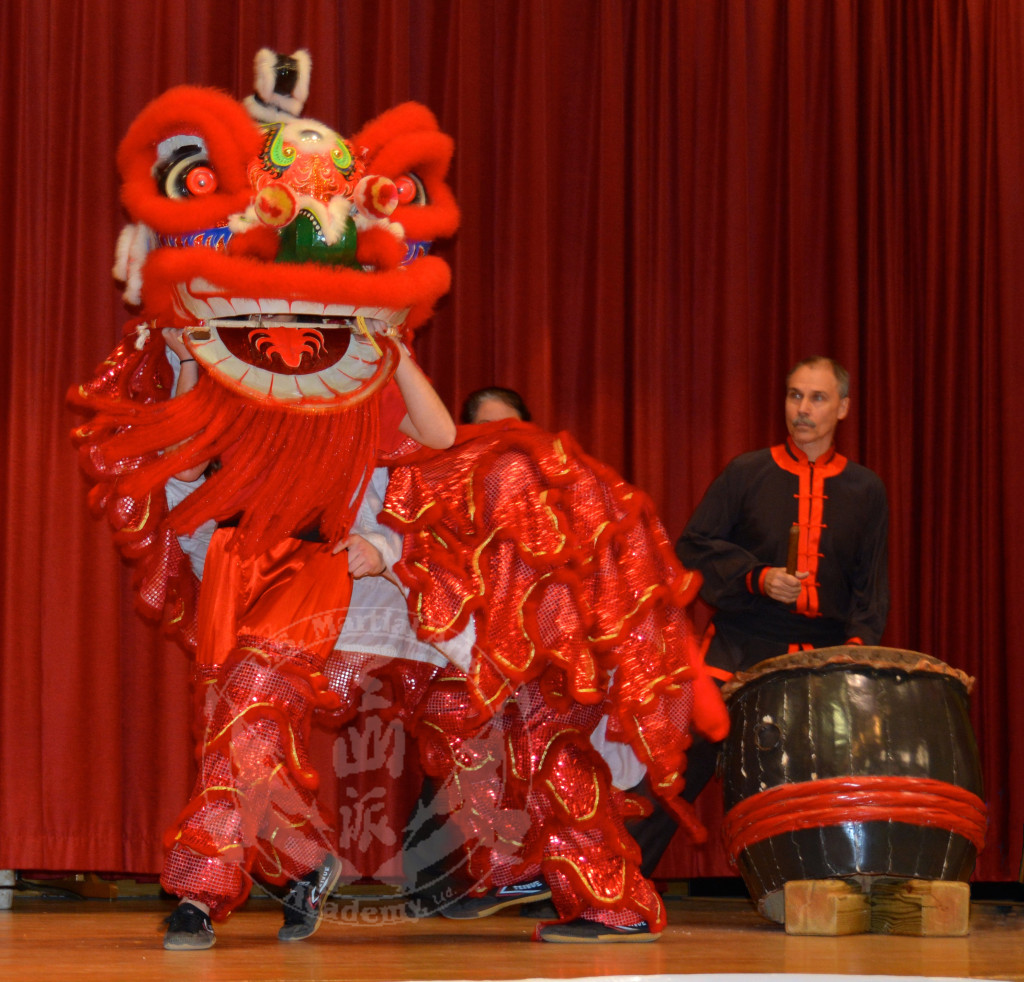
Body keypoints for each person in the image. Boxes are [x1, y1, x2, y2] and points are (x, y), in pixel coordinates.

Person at [373, 386, 726, 942]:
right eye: (486, 434)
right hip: (511, 665)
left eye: (512, 433)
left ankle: (616, 907)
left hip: (560, 664)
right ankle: (525, 865)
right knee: (462, 722)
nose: (502, 445)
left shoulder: (550, 485)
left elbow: (606, 588)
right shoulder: (454, 488)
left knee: (553, 758)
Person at [159, 331, 456, 950]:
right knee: (231, 729)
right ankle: (304, 860)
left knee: (247, 712)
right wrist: (188, 361)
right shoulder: (234, 366)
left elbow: (440, 437)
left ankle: (197, 894)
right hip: (232, 561)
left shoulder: (350, 376)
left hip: (313, 562)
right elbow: (184, 467)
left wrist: (396, 351)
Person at [634, 356, 890, 872]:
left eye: (817, 398)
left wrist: (853, 654)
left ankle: (829, 884)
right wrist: (757, 577)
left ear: (842, 408)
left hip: (823, 656)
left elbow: (871, 586)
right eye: (795, 395)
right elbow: (691, 548)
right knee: (677, 763)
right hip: (740, 643)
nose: (803, 409)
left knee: (830, 775)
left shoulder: (866, 489)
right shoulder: (747, 472)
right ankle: (611, 881)